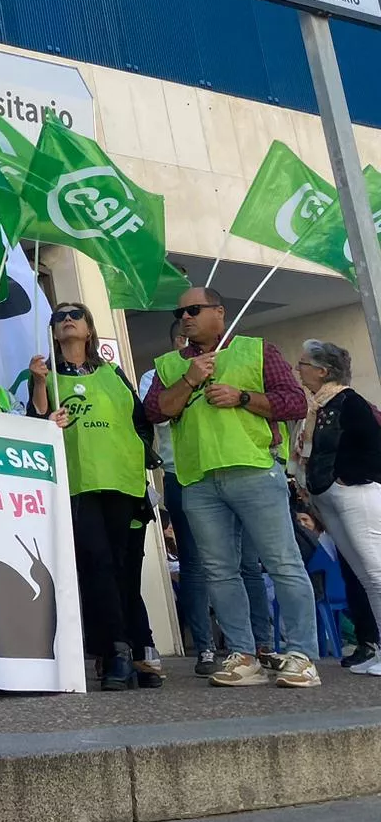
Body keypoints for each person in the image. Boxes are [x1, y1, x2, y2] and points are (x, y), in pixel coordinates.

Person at [146, 287, 320, 688]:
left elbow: (294, 402)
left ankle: (301, 655)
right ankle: (242, 654)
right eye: (180, 312)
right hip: (198, 480)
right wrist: (190, 380)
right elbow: (156, 411)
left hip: (255, 471)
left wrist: (242, 397)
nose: (185, 317)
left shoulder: (257, 349)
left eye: (193, 309)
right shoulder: (170, 364)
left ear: (219, 312)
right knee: (219, 571)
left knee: (282, 563)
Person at [29, 302, 156, 690]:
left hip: (124, 483)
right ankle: (113, 651)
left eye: (75, 315)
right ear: (52, 331)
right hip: (76, 485)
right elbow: (33, 425)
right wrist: (38, 386)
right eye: (59, 317)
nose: (67, 319)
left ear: (89, 328)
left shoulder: (113, 373)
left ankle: (138, 650)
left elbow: (140, 423)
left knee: (124, 565)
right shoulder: (43, 376)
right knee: (96, 565)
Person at [294, 340, 381, 675]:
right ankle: (374, 645)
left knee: (374, 569)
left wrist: (348, 478)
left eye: (303, 364)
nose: (297, 369)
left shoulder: (348, 402)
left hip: (355, 493)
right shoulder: (316, 407)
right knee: (362, 572)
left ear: (322, 370)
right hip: (327, 496)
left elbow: (374, 446)